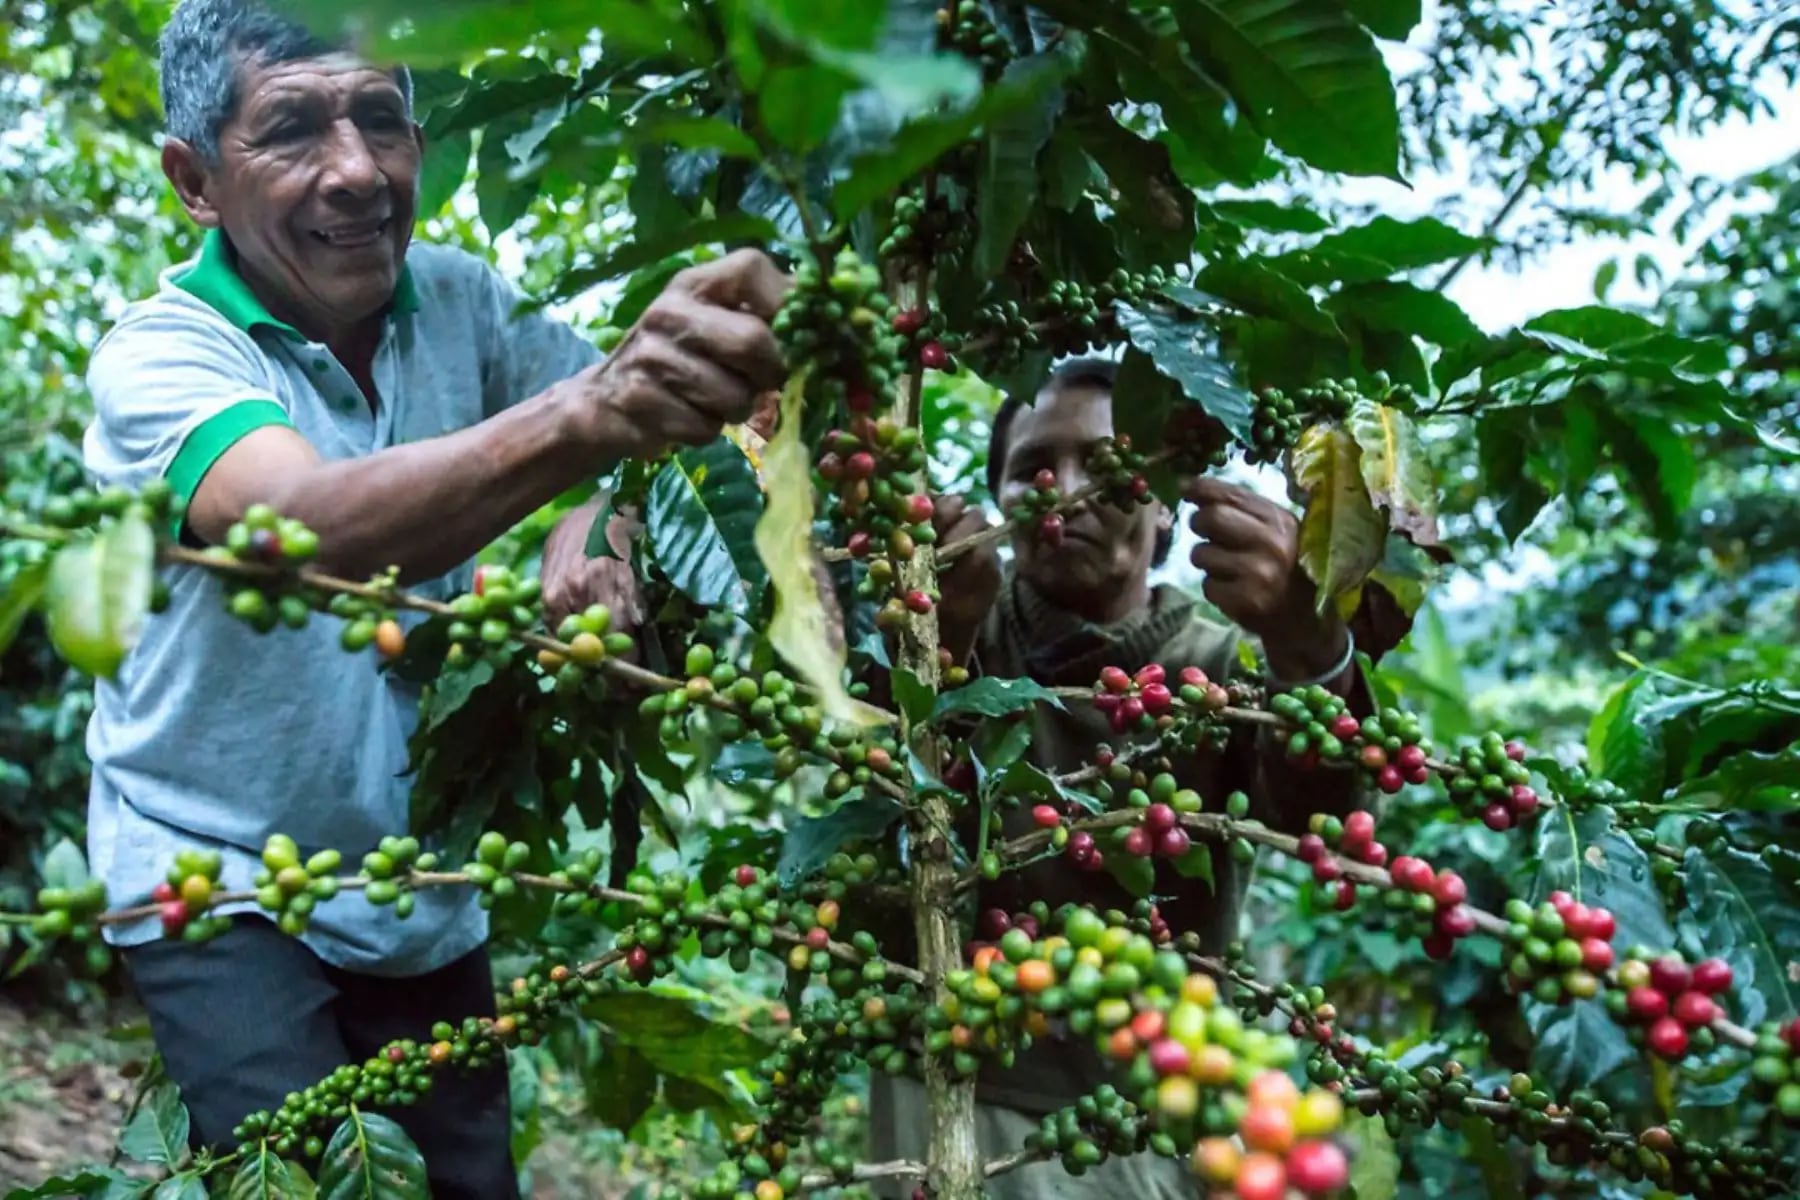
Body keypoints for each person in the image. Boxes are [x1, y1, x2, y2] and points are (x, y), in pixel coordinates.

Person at [80, 2, 787, 1194]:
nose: (355, 169)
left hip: (420, 882)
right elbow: (304, 533)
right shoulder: (163, 354)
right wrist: (595, 414)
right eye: (294, 128)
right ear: (196, 182)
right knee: (299, 1173)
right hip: (214, 873)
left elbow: (626, 453)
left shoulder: (459, 301)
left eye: (382, 119)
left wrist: (599, 536)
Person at [868, 357, 1371, 1199]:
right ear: (997, 501)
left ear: (1167, 502)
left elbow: (1327, 821)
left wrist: (1307, 646)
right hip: (948, 1094)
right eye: (1032, 469)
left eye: (1104, 468)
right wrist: (935, 651)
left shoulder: (1227, 667)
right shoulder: (948, 630)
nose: (1062, 492)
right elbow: (875, 829)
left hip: (1142, 1118)